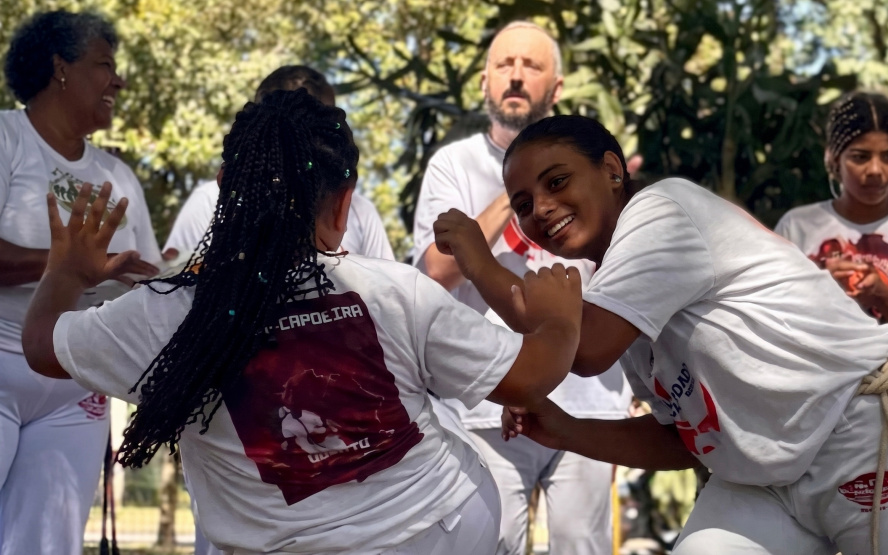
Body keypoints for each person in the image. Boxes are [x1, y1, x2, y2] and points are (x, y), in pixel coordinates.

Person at [22, 89, 585, 554]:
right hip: (446, 529)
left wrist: (66, 274)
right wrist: (559, 323)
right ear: (344, 206)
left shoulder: (160, 314)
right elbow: (530, 378)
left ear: (223, 187)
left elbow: (42, 345)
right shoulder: (389, 291)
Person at [433, 114, 888, 555]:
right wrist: (564, 429)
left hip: (860, 434)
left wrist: (479, 263)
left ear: (611, 170)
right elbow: (684, 437)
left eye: (557, 181)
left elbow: (584, 349)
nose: (540, 208)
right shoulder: (615, 300)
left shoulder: (664, 210)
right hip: (760, 481)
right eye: (522, 205)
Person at [412, 21, 629, 554]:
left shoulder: (588, 158)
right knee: (493, 543)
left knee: (584, 547)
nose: (515, 76)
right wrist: (522, 187)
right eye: (504, 66)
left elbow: (623, 272)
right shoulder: (452, 165)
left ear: (555, 89)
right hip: (488, 398)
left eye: (530, 67)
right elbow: (436, 272)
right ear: (484, 82)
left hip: (592, 399)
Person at [164, 64, 399, 555]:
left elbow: (387, 312)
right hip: (231, 422)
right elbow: (171, 299)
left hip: (332, 425)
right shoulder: (210, 200)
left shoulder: (356, 209)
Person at [0, 10, 159, 554]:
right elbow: (90, 263)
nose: (119, 80)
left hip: (74, 386)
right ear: (59, 68)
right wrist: (70, 264)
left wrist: (174, 279)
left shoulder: (119, 177)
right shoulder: (6, 139)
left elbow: (139, 275)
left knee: (45, 544)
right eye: (104, 65)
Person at [165, 65, 394, 262]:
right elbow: (173, 274)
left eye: (322, 123)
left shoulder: (360, 210)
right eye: (280, 121)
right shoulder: (208, 202)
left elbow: (385, 293)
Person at [775, 91, 888, 348]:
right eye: (860, 157)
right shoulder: (796, 227)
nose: (875, 170)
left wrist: (887, 300)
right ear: (833, 159)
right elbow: (772, 326)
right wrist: (819, 286)